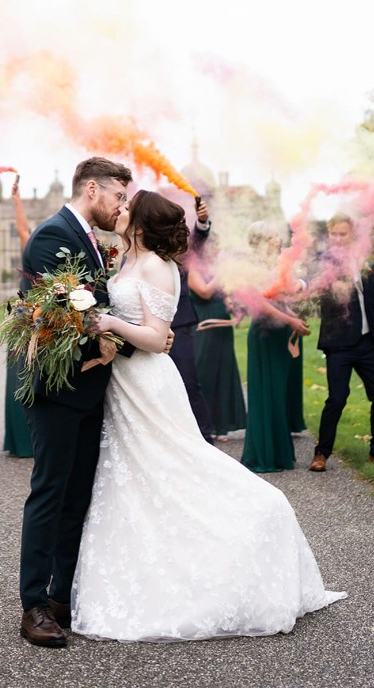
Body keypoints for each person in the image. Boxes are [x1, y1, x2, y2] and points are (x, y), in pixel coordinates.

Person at [72, 190, 345, 642]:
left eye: (125, 207)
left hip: (147, 385)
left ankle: (259, 517)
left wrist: (105, 323)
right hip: (124, 385)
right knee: (139, 478)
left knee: (176, 467)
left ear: (140, 222)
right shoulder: (125, 260)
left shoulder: (159, 267)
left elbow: (156, 335)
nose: (118, 211)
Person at [17, 157, 135, 648]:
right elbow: (63, 307)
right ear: (92, 189)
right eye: (118, 197)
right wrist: (108, 335)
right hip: (59, 388)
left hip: (91, 390)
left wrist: (121, 336)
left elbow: (98, 300)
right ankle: (33, 606)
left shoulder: (88, 237)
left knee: (78, 497)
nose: (121, 207)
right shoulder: (51, 235)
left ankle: (63, 593)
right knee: (50, 493)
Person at [309, 213, 374, 473]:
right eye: (333, 234)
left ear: (352, 236)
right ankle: (321, 454)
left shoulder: (367, 263)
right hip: (338, 344)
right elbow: (313, 293)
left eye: (342, 234)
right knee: (337, 398)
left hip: (368, 342)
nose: (337, 239)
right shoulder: (322, 263)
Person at [240, 221, 310, 473]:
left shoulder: (275, 265)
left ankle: (280, 455)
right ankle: (263, 455)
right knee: (266, 395)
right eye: (272, 237)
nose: (277, 240)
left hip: (281, 335)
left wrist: (293, 318)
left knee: (279, 395)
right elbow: (259, 304)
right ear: (260, 240)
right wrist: (290, 319)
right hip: (264, 336)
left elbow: (279, 302)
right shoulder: (251, 267)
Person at [188, 242, 246, 439]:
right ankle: (203, 423)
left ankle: (221, 426)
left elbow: (224, 295)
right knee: (204, 372)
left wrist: (233, 305)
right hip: (204, 324)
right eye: (214, 248)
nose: (218, 252)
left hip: (222, 325)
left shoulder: (215, 268)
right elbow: (204, 291)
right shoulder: (193, 268)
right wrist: (221, 273)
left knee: (223, 372)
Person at [168, 198, 214, 441]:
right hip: (146, 331)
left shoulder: (177, 251)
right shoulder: (135, 250)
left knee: (188, 382)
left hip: (178, 324)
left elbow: (195, 244)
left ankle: (205, 439)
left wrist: (202, 222)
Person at [4, 177, 33, 459]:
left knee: (25, 372)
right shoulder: (33, 250)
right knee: (23, 372)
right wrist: (17, 201)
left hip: (33, 314)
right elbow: (23, 229)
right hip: (27, 315)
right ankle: (23, 439)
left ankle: (24, 438)